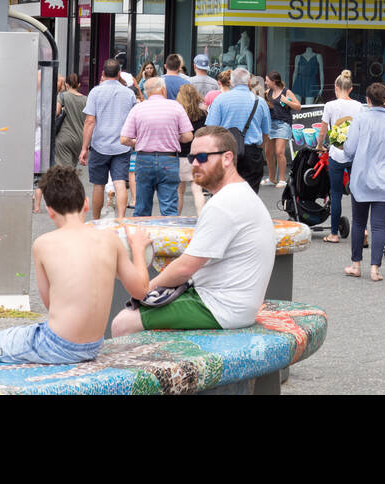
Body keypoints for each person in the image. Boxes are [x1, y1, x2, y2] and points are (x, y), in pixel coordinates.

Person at [0, 166, 152, 367]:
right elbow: (141, 290)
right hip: (92, 346)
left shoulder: (43, 244)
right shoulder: (110, 240)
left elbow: (50, 304)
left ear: (49, 211)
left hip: (55, 345)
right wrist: (137, 248)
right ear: (86, 204)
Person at [111, 126, 275, 336]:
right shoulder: (240, 193)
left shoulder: (224, 204)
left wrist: (146, 289)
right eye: (192, 158)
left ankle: (142, 370)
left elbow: (184, 268)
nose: (195, 164)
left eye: (203, 157)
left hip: (221, 308)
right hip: (234, 304)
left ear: (227, 158)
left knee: (123, 323)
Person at [343, 82, 385, 282]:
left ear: (367, 99)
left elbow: (349, 150)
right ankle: (375, 269)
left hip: (362, 177)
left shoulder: (360, 119)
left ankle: (356, 265)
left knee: (359, 222)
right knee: (378, 226)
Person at [120, 77, 194, 217]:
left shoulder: (138, 108)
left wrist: (137, 142)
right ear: (163, 90)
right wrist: (174, 138)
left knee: (142, 208)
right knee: (169, 209)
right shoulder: (176, 106)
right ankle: (170, 237)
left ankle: (140, 237)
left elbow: (124, 139)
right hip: (169, 160)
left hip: (144, 160)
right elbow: (188, 136)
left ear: (147, 93)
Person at [79, 58, 138, 219]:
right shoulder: (128, 93)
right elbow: (134, 118)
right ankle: (120, 219)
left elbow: (90, 121)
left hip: (100, 145)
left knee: (98, 185)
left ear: (103, 73)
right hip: (122, 145)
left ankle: (97, 220)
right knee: (120, 183)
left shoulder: (95, 92)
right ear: (119, 74)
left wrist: (84, 148)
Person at [205, 67, 270, 193]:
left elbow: (210, 130)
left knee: (223, 193)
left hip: (225, 151)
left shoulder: (220, 100)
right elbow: (266, 133)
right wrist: (259, 148)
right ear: (249, 81)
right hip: (252, 153)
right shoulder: (260, 102)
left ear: (231, 82)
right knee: (250, 195)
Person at [319, 70, 363, 244]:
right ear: (351, 88)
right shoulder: (359, 106)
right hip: (355, 153)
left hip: (336, 154)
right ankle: (363, 230)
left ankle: (334, 233)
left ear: (336, 87)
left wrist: (319, 145)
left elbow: (323, 129)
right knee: (358, 193)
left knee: (335, 194)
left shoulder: (330, 105)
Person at [265, 71, 301, 188]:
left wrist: (287, 102)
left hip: (283, 124)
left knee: (279, 151)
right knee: (268, 152)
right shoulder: (267, 93)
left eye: (267, 80)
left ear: (274, 81)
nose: (265, 82)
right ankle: (271, 178)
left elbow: (298, 106)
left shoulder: (286, 92)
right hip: (270, 124)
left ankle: (282, 179)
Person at [176, 83, 207, 215]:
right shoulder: (202, 114)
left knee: (179, 191)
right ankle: (201, 216)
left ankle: (176, 219)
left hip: (179, 155)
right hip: (197, 155)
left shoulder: (177, 113)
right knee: (197, 189)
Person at [53, 74, 87, 173]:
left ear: (66, 84)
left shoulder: (62, 96)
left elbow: (56, 112)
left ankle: (65, 187)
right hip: (79, 140)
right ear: (79, 85)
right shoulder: (86, 99)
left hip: (64, 137)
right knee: (71, 169)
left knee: (64, 172)